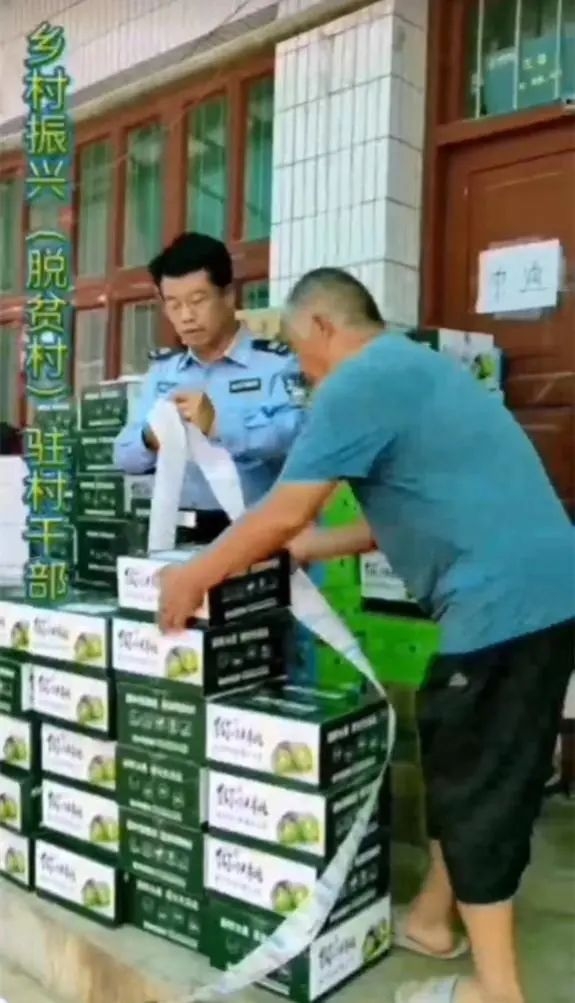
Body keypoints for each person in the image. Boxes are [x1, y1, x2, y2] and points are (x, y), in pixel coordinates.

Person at [158, 267, 575, 1003]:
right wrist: (317, 547)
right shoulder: (415, 368)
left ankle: (497, 991)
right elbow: (419, 504)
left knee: (473, 787)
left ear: (323, 326)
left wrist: (194, 576)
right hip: (550, 595)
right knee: (477, 771)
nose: (304, 374)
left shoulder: (356, 384)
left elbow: (285, 510)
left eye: (300, 353)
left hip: (501, 609)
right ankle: (432, 921)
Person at [114, 232, 307, 524]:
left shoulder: (277, 364)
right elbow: (123, 455)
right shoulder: (164, 372)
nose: (186, 316)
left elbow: (299, 436)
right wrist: (149, 438)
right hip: (177, 531)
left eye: (197, 300)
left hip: (256, 531)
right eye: (174, 304)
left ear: (228, 296)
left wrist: (218, 425)